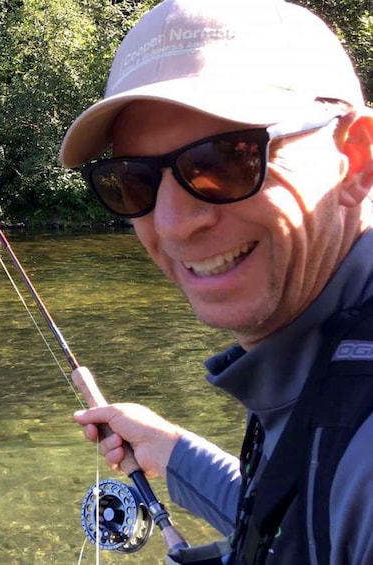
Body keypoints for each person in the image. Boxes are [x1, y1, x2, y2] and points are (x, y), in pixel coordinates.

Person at [58, 0, 373, 563]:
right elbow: (300, 512)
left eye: (226, 160)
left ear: (356, 159)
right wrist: (174, 454)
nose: (174, 224)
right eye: (131, 182)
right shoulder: (322, 359)